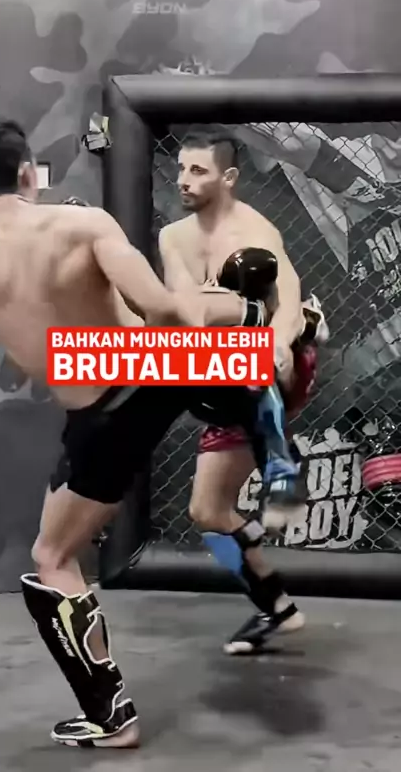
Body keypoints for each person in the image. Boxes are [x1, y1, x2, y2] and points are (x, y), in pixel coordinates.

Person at [0, 118, 276, 749]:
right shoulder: (83, 224)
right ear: (26, 171)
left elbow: (16, 350)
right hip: (151, 377)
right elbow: (161, 309)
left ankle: (110, 717)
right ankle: (255, 343)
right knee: (202, 336)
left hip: (101, 412)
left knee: (52, 559)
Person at [159, 128, 327, 654]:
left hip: (273, 367)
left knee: (252, 303)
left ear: (228, 177)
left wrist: (280, 337)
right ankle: (275, 605)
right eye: (181, 169)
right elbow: (189, 311)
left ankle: (282, 466)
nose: (184, 180)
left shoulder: (255, 229)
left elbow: (288, 297)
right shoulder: (174, 237)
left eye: (198, 171)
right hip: (224, 369)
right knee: (208, 514)